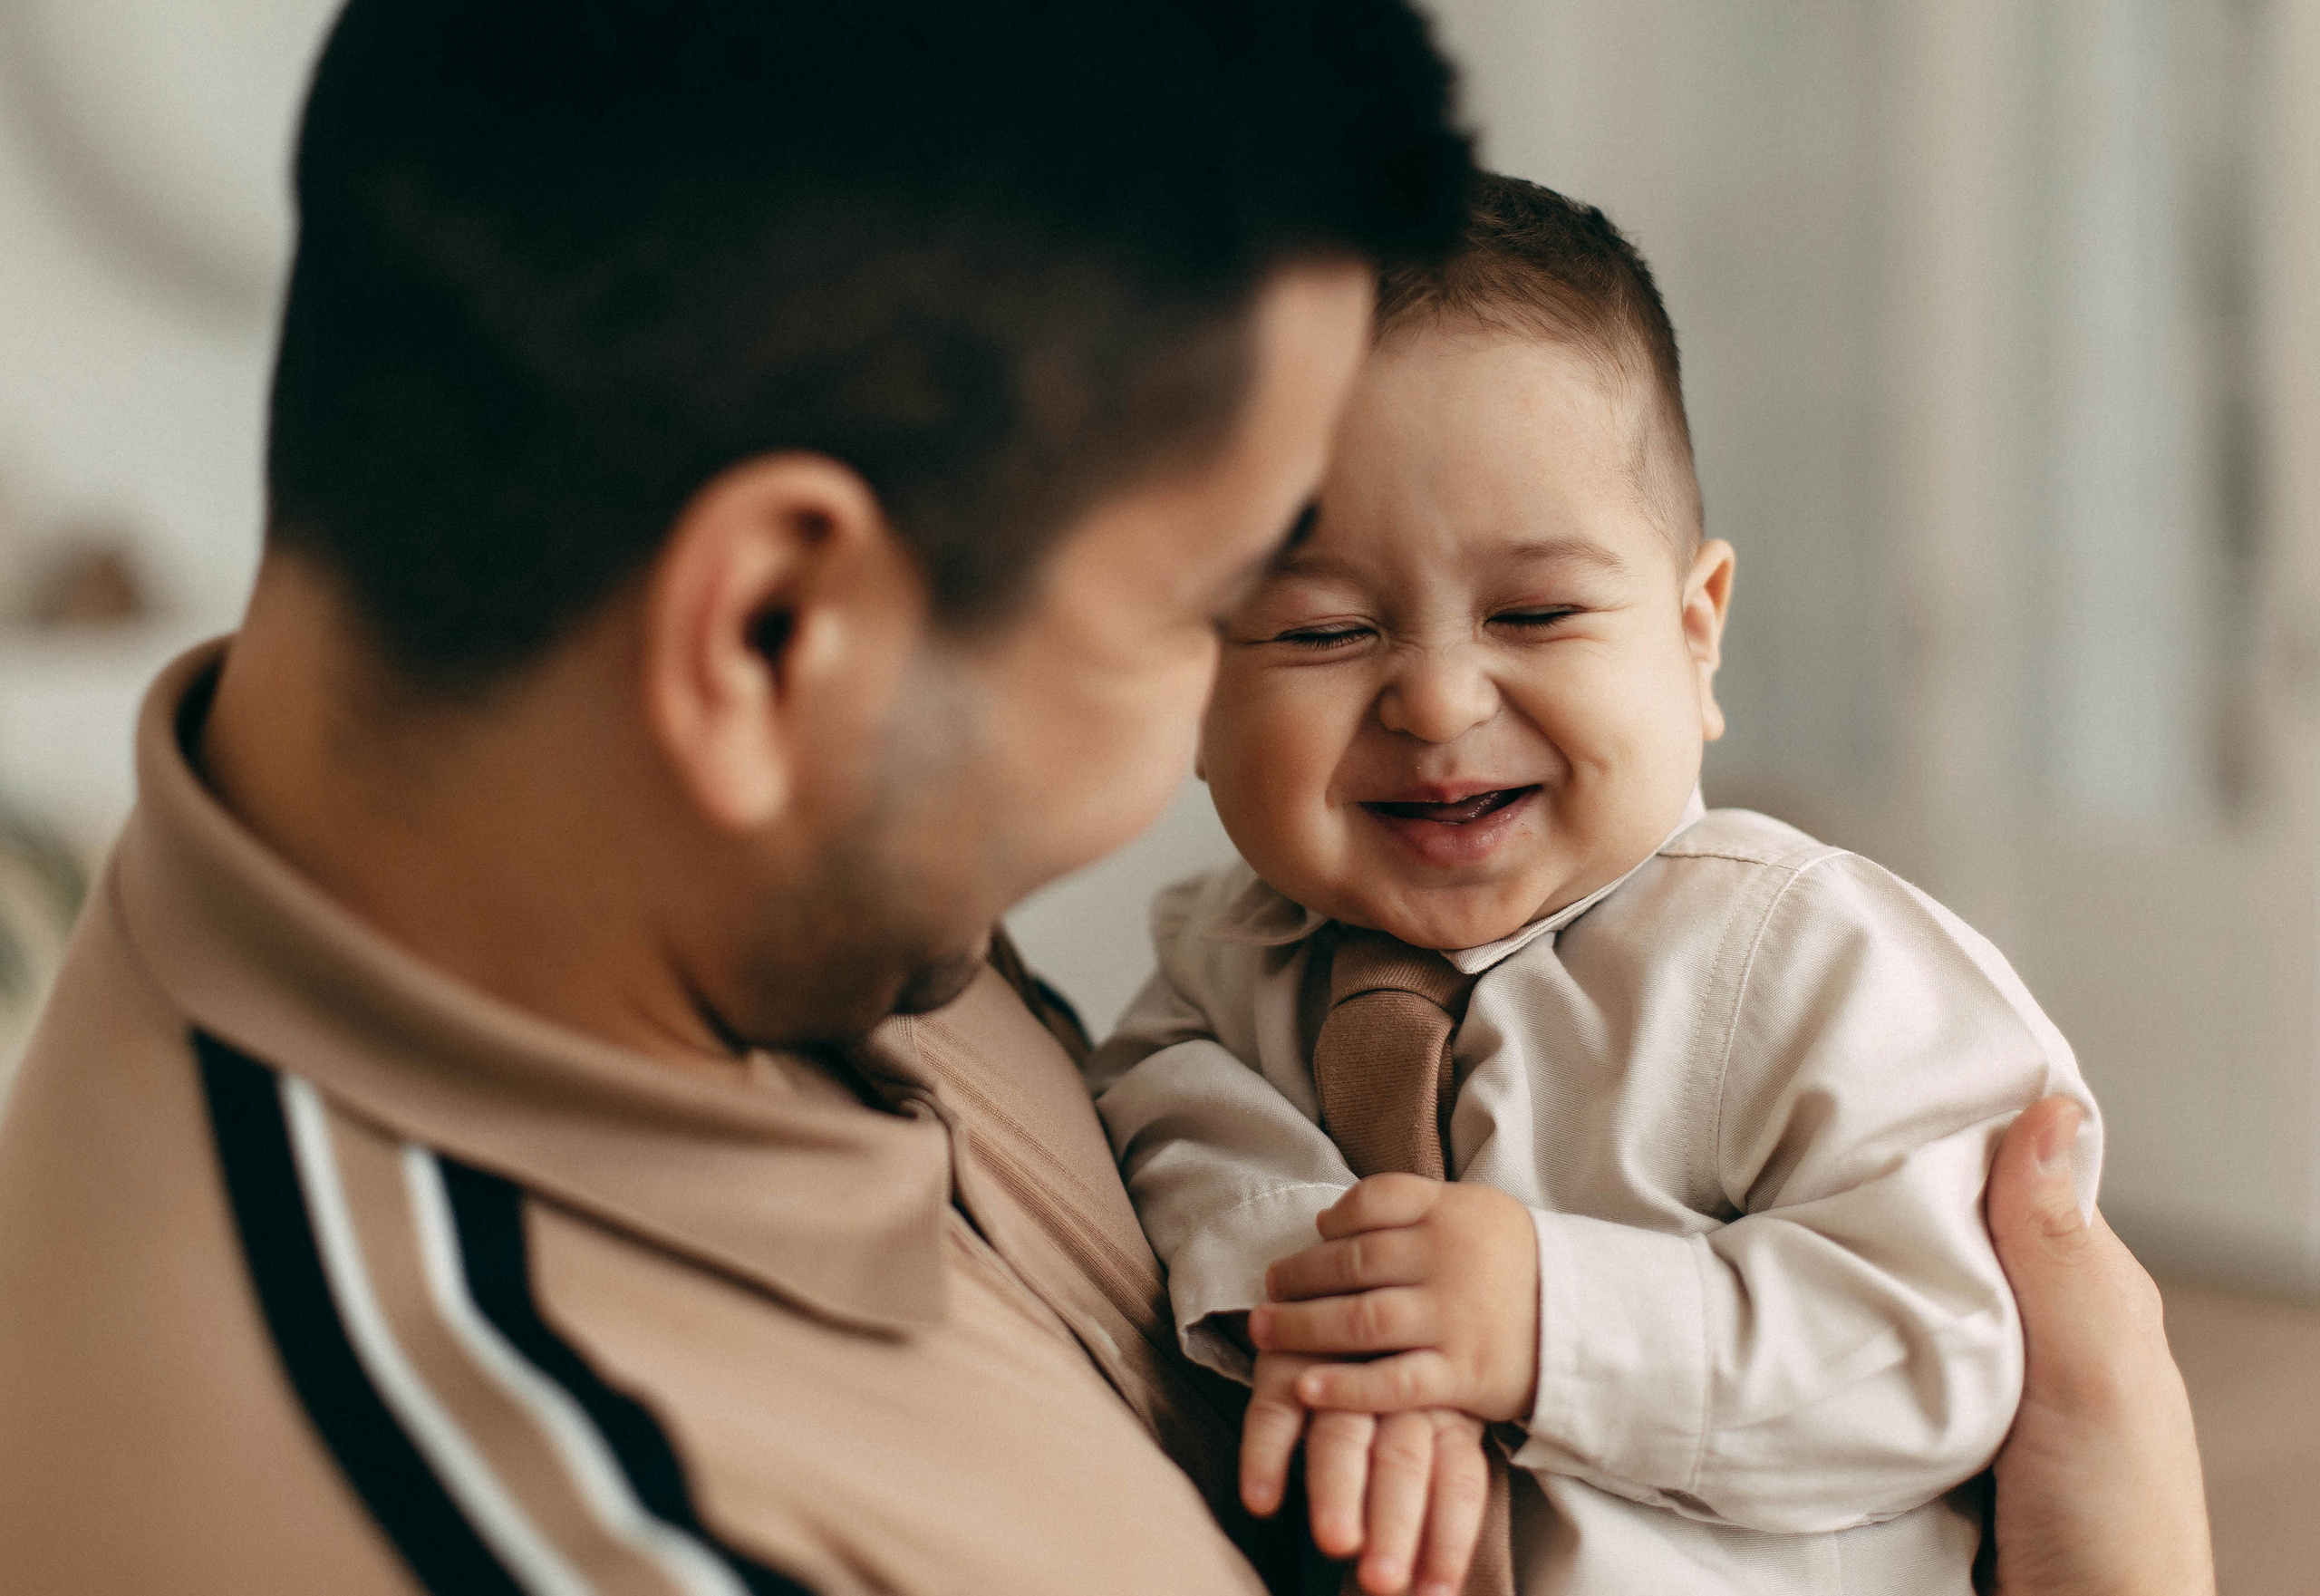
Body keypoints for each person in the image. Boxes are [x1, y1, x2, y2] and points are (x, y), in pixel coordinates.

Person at [0, 4, 2211, 1594]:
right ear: (770, 637)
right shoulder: (562, 1506)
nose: (1406, 717)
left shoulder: (696, 892)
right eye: (1237, 602)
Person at [1088, 176, 2098, 1595]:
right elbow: (1159, 1121)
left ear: (1695, 636)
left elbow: (1946, 1344)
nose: (1437, 700)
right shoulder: (1220, 964)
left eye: (1536, 612)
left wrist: (1552, 1321)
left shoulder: (1813, 962)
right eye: (1324, 629)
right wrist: (1337, 1296)